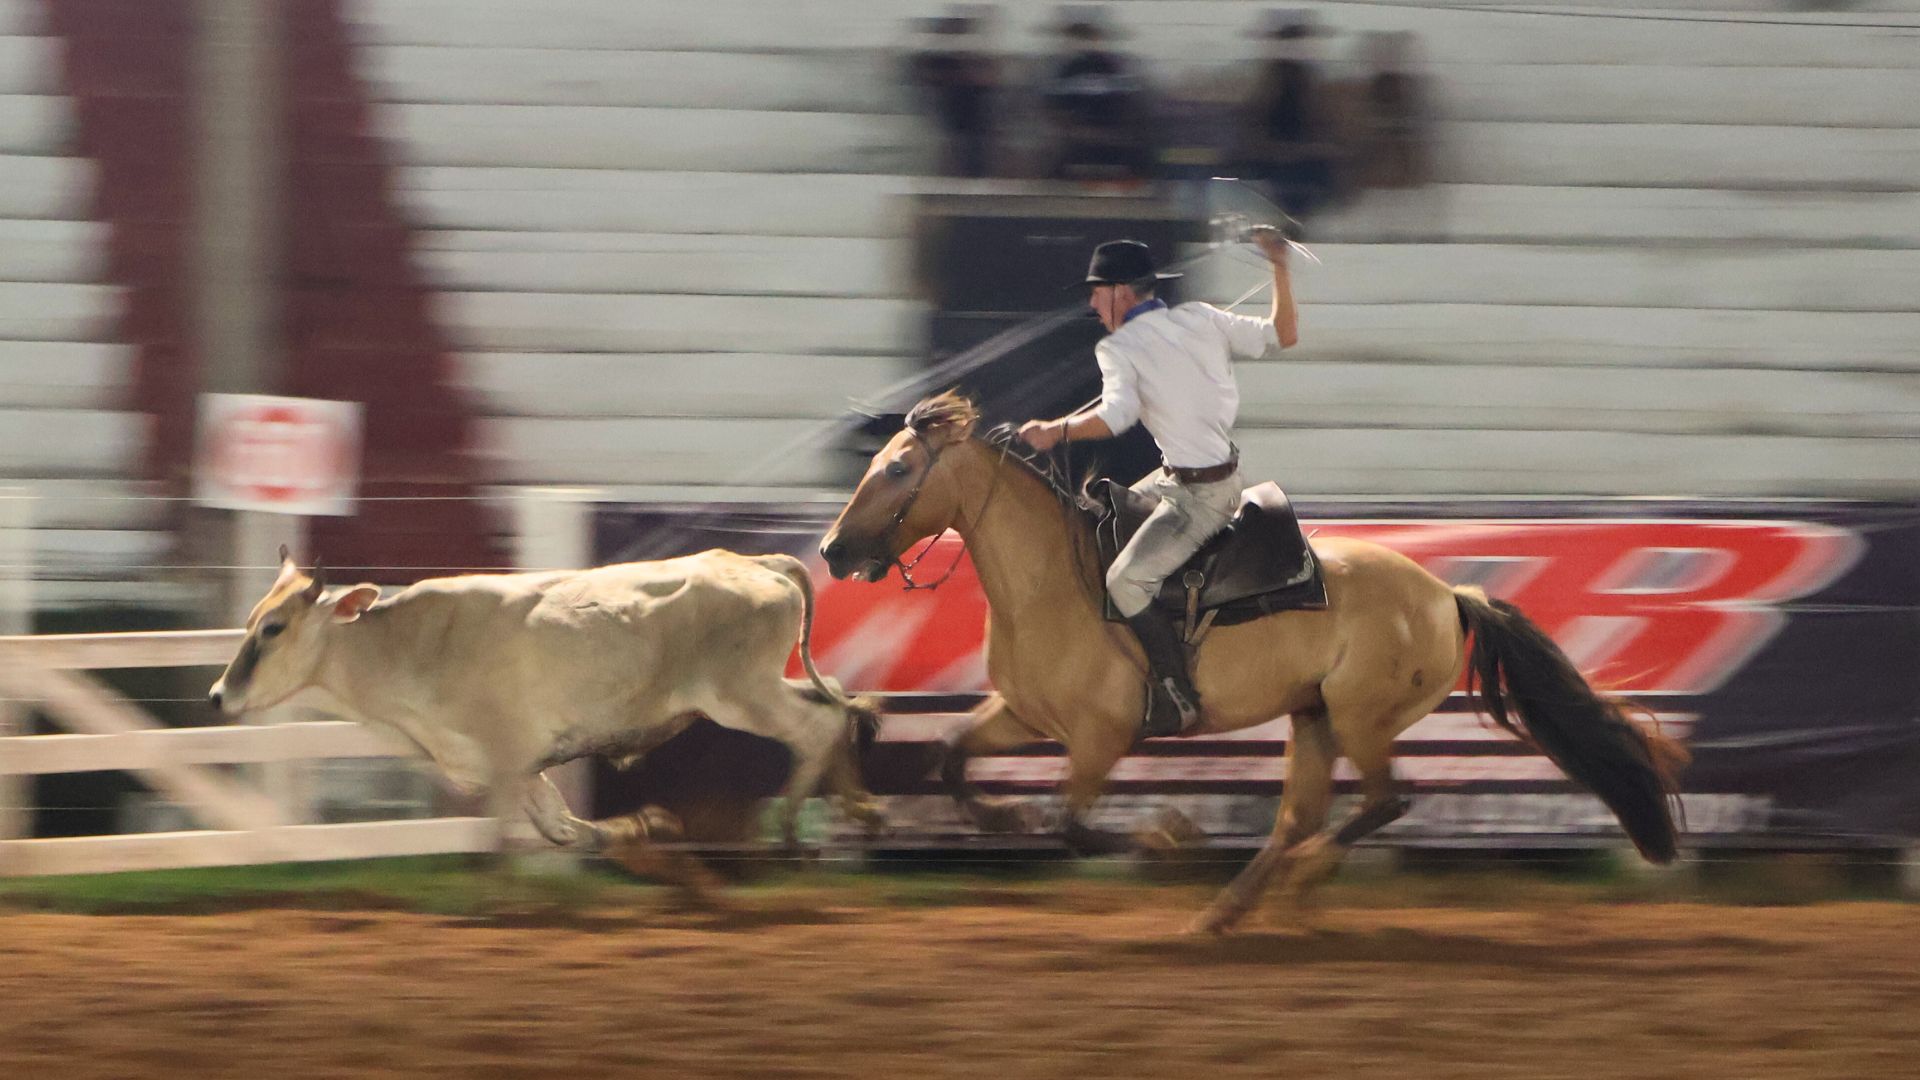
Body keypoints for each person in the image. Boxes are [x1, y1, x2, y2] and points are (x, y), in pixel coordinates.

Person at [1018, 231, 1298, 737]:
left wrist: (1052, 430)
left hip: (1200, 498)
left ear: (1122, 293)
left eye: (1097, 291)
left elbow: (1117, 416)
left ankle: (1177, 693)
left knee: (1124, 580)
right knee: (1099, 516)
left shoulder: (1117, 346)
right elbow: (1283, 333)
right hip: (1191, 476)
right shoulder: (1202, 317)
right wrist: (1279, 265)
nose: (1092, 302)